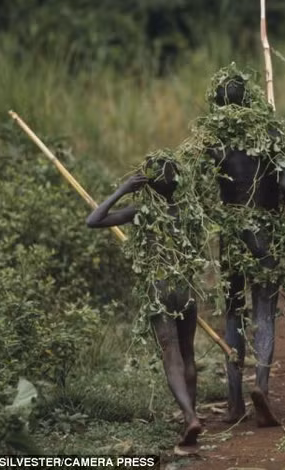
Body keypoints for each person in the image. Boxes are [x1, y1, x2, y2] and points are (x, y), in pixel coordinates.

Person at [198, 71, 285, 428]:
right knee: (264, 311)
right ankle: (262, 386)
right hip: (264, 230)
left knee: (233, 313)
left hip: (231, 232)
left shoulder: (212, 139)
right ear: (249, 100)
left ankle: (234, 402)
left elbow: (195, 186)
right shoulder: (270, 134)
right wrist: (276, 192)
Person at [86, 156, 203, 451]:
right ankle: (192, 415)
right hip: (186, 288)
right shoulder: (188, 210)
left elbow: (93, 220)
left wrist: (122, 190)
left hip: (159, 290)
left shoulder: (141, 212)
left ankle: (189, 417)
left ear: (148, 186)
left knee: (171, 353)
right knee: (188, 352)